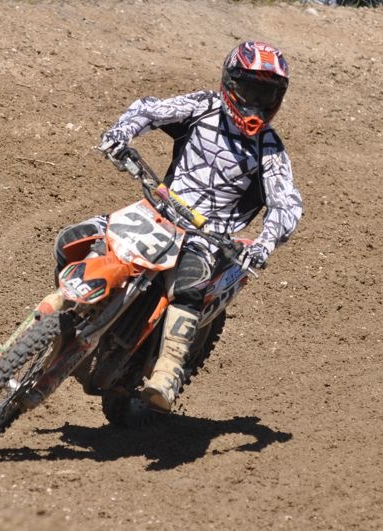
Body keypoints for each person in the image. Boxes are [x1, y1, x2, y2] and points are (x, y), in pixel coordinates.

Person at [53, 40, 303, 412]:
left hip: (208, 239)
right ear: (230, 83)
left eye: (265, 96)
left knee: (189, 287)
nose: (255, 104)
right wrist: (121, 133)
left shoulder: (270, 150)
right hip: (157, 211)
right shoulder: (203, 106)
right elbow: (149, 109)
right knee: (71, 239)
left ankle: (167, 372)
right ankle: (62, 321)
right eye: (249, 91)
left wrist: (265, 242)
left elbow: (287, 203)